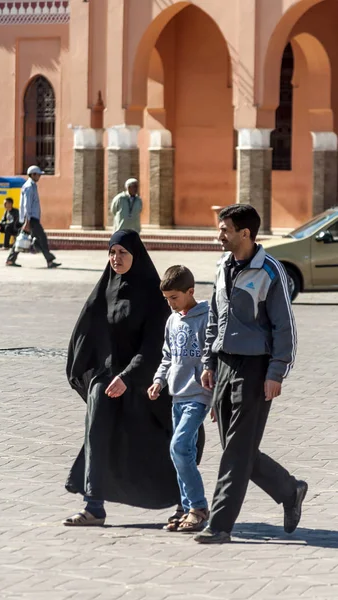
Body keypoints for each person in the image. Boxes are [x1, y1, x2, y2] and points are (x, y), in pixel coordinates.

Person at [194, 204, 307, 545]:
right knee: (237, 448)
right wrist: (208, 362)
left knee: (236, 451)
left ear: (245, 233)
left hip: (256, 370)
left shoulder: (270, 271)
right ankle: (290, 490)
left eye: (224, 229)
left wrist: (277, 372)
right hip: (224, 366)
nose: (219, 235)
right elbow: (215, 317)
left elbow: (285, 327)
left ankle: (219, 524)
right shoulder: (221, 267)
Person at [63, 230, 183, 526]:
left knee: (161, 440)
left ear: (136, 256)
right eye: (112, 252)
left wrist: (129, 377)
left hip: (145, 380)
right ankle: (93, 506)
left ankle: (187, 503)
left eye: (123, 253)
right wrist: (94, 373)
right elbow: (89, 330)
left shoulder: (152, 295)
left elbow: (155, 345)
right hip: (108, 377)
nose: (116, 258)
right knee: (97, 434)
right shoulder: (106, 287)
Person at [148, 265, 213, 533]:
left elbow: (213, 357)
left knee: (179, 447)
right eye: (167, 299)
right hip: (177, 396)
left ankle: (198, 507)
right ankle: (187, 510)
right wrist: (158, 381)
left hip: (198, 395)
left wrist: (217, 397)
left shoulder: (207, 318)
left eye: (175, 298)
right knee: (180, 453)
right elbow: (167, 356)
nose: (171, 304)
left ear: (190, 291)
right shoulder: (172, 320)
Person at [6, 165, 60, 268]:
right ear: (33, 174)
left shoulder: (32, 185)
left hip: (30, 219)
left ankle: (10, 259)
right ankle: (49, 261)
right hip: (31, 219)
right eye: (38, 175)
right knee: (41, 238)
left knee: (22, 238)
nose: (39, 177)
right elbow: (27, 205)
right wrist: (27, 221)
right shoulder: (29, 186)